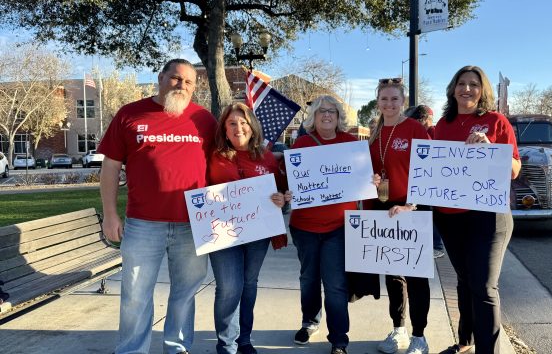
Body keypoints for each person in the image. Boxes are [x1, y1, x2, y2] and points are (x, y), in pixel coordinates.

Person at [99, 58, 217, 354]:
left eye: (189, 82)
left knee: (185, 293)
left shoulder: (204, 120)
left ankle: (176, 347)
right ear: (161, 77)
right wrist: (110, 214)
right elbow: (111, 167)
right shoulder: (130, 114)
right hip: (142, 224)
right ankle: (131, 350)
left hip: (192, 224)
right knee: (135, 294)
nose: (182, 85)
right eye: (177, 78)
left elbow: (228, 160)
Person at [434, 66, 521, 354]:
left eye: (474, 84)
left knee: (483, 287)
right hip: (450, 218)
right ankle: (465, 342)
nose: (467, 89)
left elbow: (514, 170)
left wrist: (490, 149)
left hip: (488, 218)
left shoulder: (496, 122)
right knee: (464, 281)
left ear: (483, 90)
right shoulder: (441, 126)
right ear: (453, 88)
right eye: (461, 83)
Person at [208, 103, 290, 354]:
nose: (238, 128)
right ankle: (227, 344)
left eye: (243, 123)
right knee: (230, 286)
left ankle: (244, 339)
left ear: (253, 127)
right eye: (232, 123)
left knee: (249, 283)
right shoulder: (213, 155)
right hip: (222, 233)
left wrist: (280, 198)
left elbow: (280, 191)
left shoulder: (265, 156)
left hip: (258, 234)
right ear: (224, 128)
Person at [289, 95, 358, 354]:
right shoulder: (301, 145)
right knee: (308, 279)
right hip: (305, 227)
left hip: (338, 227)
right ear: (313, 117)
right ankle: (309, 322)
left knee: (335, 283)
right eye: (321, 112)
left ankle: (339, 338)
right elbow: (288, 184)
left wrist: (371, 181)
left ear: (339, 117)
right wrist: (285, 193)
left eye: (332, 111)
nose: (327, 115)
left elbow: (364, 179)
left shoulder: (351, 144)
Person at [368, 78, 431, 354]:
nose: (389, 104)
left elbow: (430, 173)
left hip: (410, 208)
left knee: (416, 275)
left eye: (394, 99)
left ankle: (420, 336)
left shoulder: (415, 129)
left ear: (402, 102)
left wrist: (411, 206)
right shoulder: (374, 132)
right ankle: (399, 330)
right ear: (378, 102)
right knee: (393, 273)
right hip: (382, 207)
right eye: (384, 99)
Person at [404, 105, 445, 259]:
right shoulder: (428, 132)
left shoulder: (429, 134)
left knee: (427, 212)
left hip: (426, 181)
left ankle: (435, 245)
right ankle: (433, 244)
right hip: (424, 181)